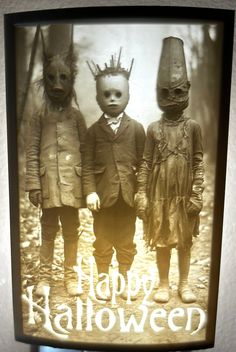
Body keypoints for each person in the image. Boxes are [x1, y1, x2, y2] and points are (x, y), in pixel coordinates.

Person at [136, 37, 204, 304]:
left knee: (185, 240)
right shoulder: (153, 128)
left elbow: (198, 161)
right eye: (164, 93)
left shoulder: (194, 127)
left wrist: (197, 194)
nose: (171, 99)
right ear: (157, 94)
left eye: (177, 92)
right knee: (162, 240)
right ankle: (163, 284)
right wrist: (141, 194)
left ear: (187, 89)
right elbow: (144, 162)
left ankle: (184, 284)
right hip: (159, 196)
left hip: (184, 194)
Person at [25, 37, 87, 297]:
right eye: (52, 78)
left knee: (72, 232)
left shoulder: (77, 117)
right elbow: (32, 152)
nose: (58, 85)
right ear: (45, 80)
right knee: (48, 231)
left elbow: (86, 152)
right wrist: (33, 185)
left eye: (63, 78)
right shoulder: (39, 116)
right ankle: (44, 278)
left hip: (72, 188)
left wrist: (87, 187)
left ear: (71, 80)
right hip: (48, 187)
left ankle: (71, 277)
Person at [83, 49, 146, 300]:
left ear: (127, 95)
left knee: (127, 240)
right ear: (98, 97)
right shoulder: (93, 131)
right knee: (102, 239)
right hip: (102, 199)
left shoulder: (137, 129)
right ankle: (102, 280)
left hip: (128, 198)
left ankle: (123, 279)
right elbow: (86, 165)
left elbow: (144, 163)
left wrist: (142, 191)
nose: (112, 99)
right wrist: (89, 191)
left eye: (117, 94)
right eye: (106, 94)